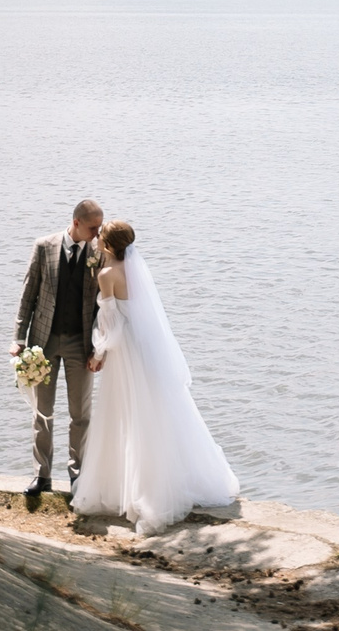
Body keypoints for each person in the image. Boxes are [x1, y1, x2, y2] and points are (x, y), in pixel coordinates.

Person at [71, 220, 241, 533]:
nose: (95, 241)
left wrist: (98, 354)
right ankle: (167, 480)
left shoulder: (107, 275)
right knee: (156, 413)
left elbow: (111, 324)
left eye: (100, 238)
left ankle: (135, 491)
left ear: (108, 245)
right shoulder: (135, 271)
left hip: (125, 354)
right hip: (146, 349)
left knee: (126, 415)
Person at [14, 198, 104, 497]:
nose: (98, 232)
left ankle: (78, 475)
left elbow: (106, 306)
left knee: (81, 414)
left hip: (82, 344)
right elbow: (28, 293)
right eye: (93, 226)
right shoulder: (44, 246)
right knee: (43, 412)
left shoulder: (99, 252)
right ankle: (42, 476)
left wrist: (99, 349)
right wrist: (19, 338)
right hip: (44, 341)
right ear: (76, 222)